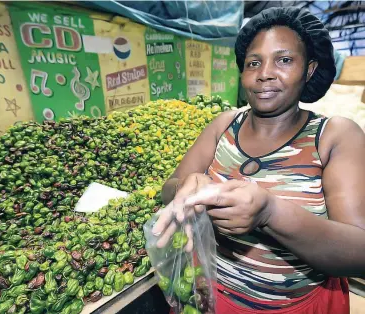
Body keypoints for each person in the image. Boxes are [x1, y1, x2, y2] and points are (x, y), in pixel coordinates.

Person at [153, 7, 365, 314]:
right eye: (254, 62)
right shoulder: (223, 125)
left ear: (309, 69)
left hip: (294, 306)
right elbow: (167, 189)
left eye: (284, 60)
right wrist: (189, 187)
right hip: (210, 297)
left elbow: (359, 253)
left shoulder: (333, 136)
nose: (265, 73)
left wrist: (270, 211)